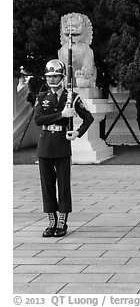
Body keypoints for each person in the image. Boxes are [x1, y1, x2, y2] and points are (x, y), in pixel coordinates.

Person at [34, 59, 94, 237]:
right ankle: (51, 222)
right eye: (49, 76)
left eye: (55, 76)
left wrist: (77, 133)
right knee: (47, 186)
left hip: (61, 145)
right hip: (45, 145)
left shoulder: (71, 96)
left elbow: (88, 118)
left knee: (63, 185)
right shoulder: (42, 97)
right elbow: (38, 120)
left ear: (62, 77)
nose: (51, 80)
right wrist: (62, 114)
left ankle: (62, 222)